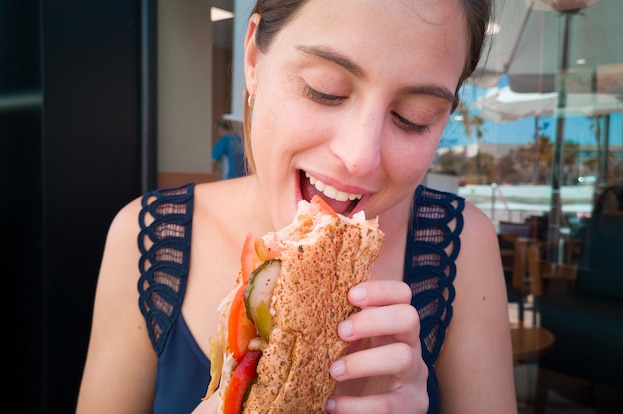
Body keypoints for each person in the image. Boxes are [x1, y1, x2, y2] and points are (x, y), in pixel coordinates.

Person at [76, 1, 517, 413]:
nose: (360, 155)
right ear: (253, 59)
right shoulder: (150, 235)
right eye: (324, 90)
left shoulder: (460, 244)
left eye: (413, 117)